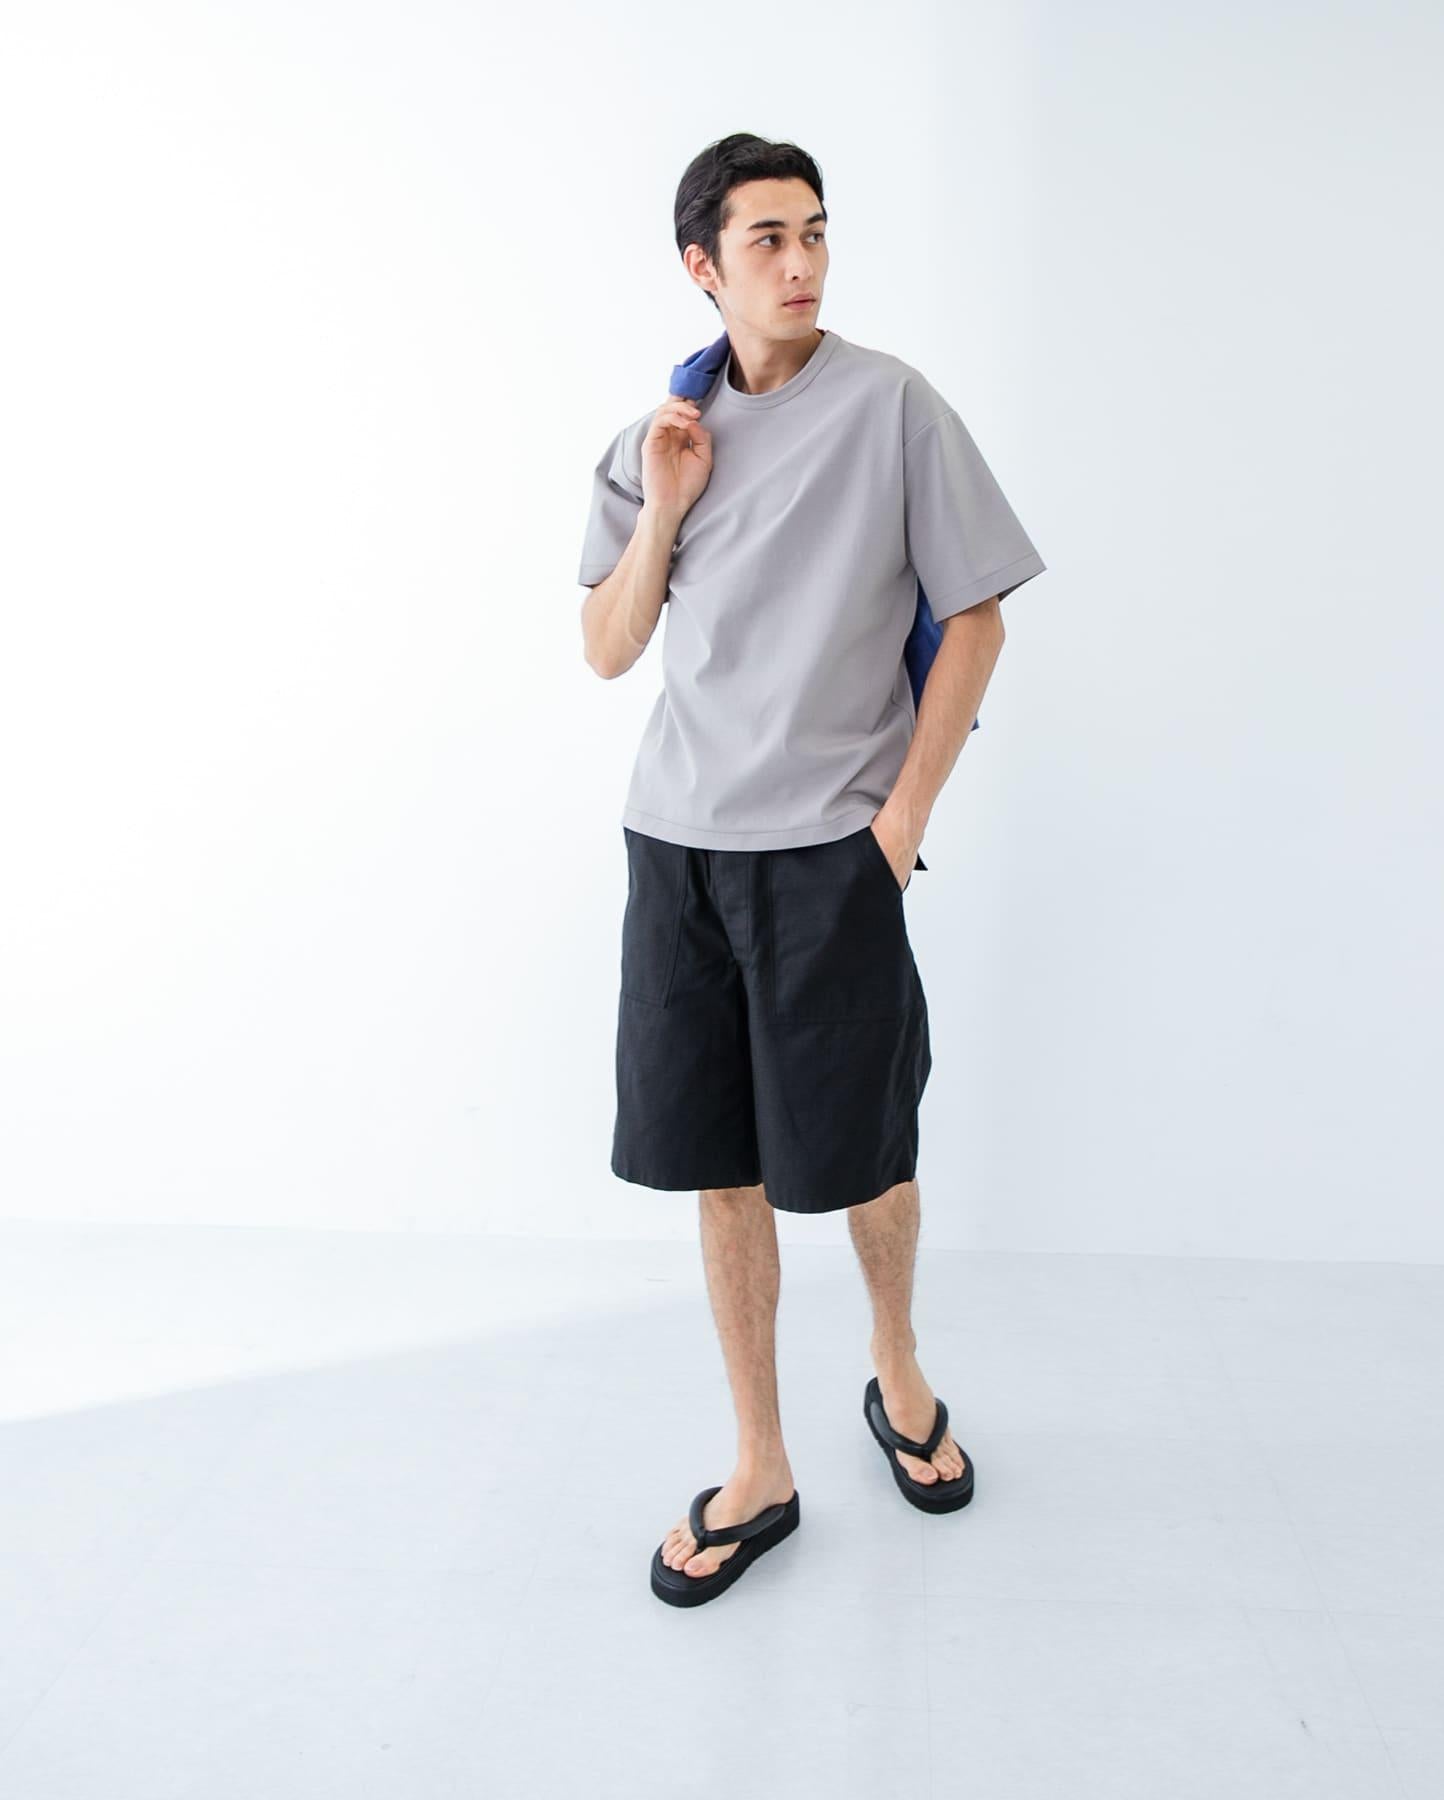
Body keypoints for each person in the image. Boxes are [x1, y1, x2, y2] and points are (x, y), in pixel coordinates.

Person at [576, 133, 1047, 1605]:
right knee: (721, 1168)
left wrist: (897, 825)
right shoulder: (661, 432)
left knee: (866, 1153)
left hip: (830, 857)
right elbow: (606, 649)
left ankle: (898, 1372)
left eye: (816, 233)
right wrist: (666, 502)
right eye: (767, 240)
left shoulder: (893, 407)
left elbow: (977, 618)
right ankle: (761, 1460)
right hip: (679, 851)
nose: (802, 264)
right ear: (703, 267)